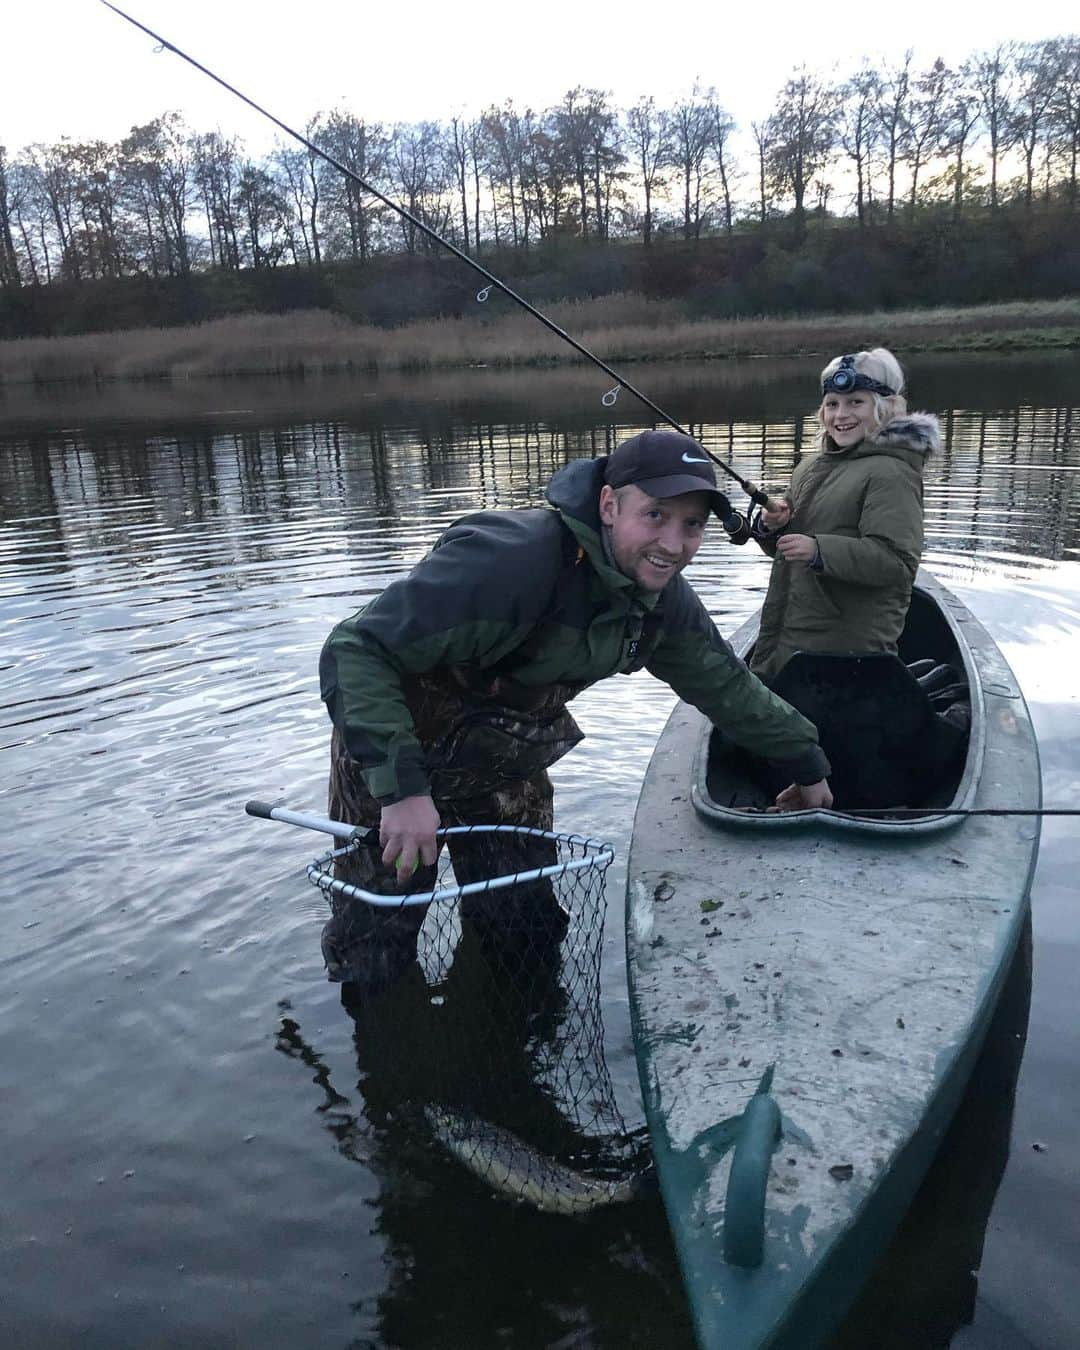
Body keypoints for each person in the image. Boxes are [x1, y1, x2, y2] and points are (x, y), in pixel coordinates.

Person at [318, 429, 833, 991]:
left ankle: (515, 1038)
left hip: (500, 765)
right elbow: (357, 649)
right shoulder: (509, 562)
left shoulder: (661, 603)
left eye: (692, 524)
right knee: (377, 947)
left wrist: (806, 764)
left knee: (525, 931)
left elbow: (728, 689)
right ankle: (379, 1042)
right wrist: (402, 792)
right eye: (655, 515)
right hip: (395, 757)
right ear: (609, 505)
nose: (674, 543)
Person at [737, 348, 940, 682]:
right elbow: (785, 548)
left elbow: (896, 563)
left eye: (856, 402)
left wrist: (818, 550)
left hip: (847, 658)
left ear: (884, 407)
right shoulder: (810, 466)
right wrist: (772, 527)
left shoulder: (892, 473)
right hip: (789, 644)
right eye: (832, 404)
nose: (841, 415)